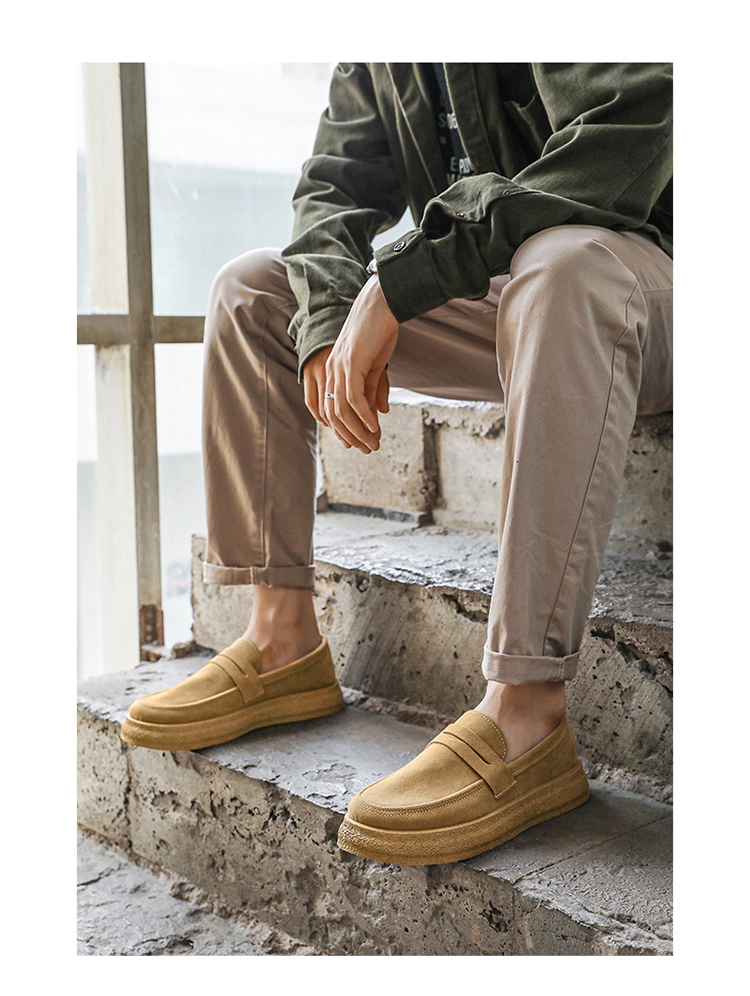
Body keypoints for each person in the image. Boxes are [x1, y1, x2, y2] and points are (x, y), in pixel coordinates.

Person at [120, 63, 673, 867]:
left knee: (564, 265)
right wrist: (324, 323)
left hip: (645, 279)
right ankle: (281, 642)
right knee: (256, 292)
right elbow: (332, 190)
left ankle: (527, 712)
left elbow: (624, 137)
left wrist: (400, 279)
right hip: (508, 290)